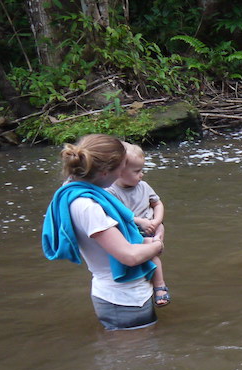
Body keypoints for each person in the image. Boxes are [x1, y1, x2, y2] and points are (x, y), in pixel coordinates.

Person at [41, 134, 164, 330]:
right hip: (124, 300)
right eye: (122, 166)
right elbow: (129, 257)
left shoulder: (72, 190)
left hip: (124, 296)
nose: (123, 172)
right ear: (106, 172)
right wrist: (157, 244)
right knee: (132, 355)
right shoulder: (88, 207)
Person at [107, 142, 170, 306]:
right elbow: (118, 215)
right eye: (136, 171)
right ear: (119, 172)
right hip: (134, 229)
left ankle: (156, 245)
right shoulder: (112, 191)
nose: (141, 175)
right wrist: (140, 221)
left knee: (156, 240)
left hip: (152, 226)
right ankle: (159, 285)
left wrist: (156, 221)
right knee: (153, 257)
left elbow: (157, 204)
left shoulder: (143, 186)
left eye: (142, 170)